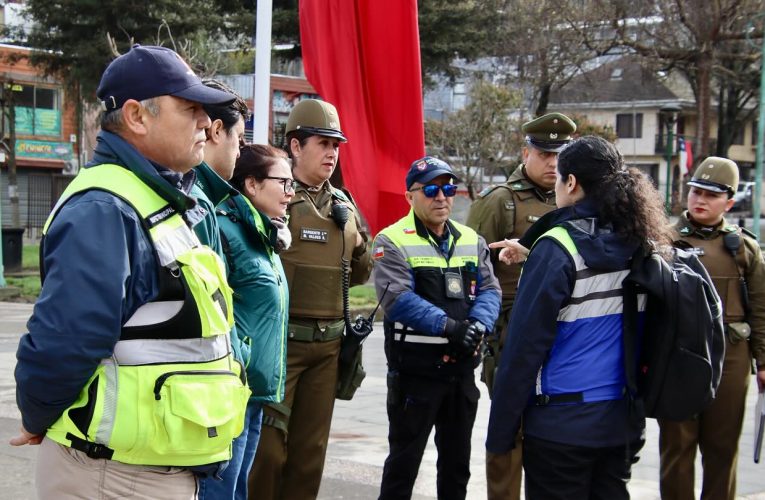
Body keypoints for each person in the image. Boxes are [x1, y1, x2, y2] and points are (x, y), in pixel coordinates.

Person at [12, 44, 250, 499]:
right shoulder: (106, 208)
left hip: (146, 470)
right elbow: (66, 340)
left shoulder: (161, 197)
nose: (206, 123)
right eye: (191, 108)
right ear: (138, 116)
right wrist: (38, 413)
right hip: (111, 476)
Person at [486, 136, 673, 499]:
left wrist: (501, 433)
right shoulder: (642, 242)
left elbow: (525, 347)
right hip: (620, 421)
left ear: (571, 183)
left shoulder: (559, 247)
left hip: (560, 426)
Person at [248, 98, 373, 499]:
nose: (332, 153)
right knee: (265, 452)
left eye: (336, 145)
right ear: (296, 146)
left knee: (310, 454)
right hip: (279, 343)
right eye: (323, 143)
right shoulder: (272, 199)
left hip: (329, 346)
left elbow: (362, 268)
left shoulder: (344, 206)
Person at [373, 156, 501, 500]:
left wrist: (478, 325)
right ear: (410, 196)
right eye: (431, 189)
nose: (442, 196)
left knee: (457, 468)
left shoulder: (472, 240)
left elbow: (490, 289)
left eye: (448, 188)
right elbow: (397, 299)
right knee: (403, 466)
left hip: (461, 373)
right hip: (416, 373)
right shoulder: (392, 240)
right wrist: (451, 328)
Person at [465, 112, 576, 500]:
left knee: (552, 431)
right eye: (544, 154)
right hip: (510, 329)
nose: (552, 163)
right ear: (525, 152)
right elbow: (471, 269)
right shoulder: (501, 201)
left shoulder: (575, 201)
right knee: (509, 430)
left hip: (563, 333)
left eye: (559, 156)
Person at [659, 156, 765, 500]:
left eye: (711, 195)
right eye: (695, 192)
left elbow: (761, 309)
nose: (700, 200)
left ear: (729, 202)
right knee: (677, 447)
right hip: (678, 357)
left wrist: (762, 362)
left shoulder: (743, 248)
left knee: (722, 448)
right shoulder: (664, 242)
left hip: (731, 357)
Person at [212, 145, 293, 500]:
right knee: (221, 490)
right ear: (252, 184)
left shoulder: (265, 235)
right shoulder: (226, 230)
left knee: (238, 489)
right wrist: (239, 362)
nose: (291, 192)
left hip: (255, 390)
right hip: (233, 388)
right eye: (283, 182)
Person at [191, 79, 253, 500]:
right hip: (197, 395)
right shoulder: (191, 202)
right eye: (240, 139)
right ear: (216, 131)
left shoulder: (208, 201)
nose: (241, 151)